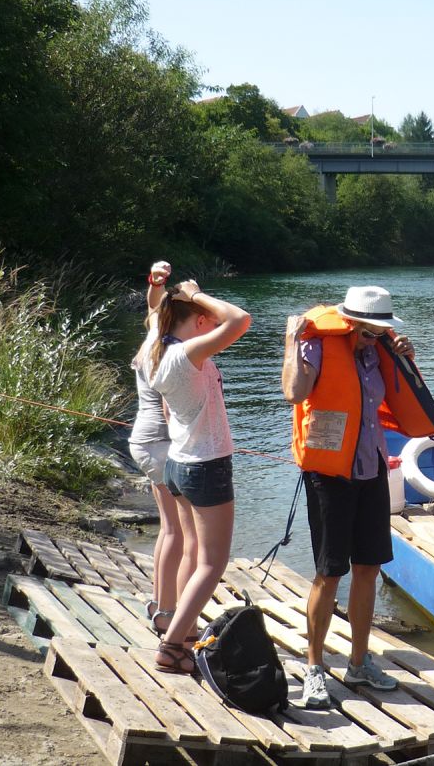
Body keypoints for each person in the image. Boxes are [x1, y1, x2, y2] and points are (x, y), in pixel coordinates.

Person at [282, 286, 434, 709]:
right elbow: (294, 393)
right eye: (369, 332)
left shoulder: (380, 352)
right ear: (350, 323)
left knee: (369, 568)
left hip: (371, 468)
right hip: (329, 475)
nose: (375, 339)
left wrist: (407, 361)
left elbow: (404, 402)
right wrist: (292, 341)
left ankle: (358, 662)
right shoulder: (317, 346)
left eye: (381, 332)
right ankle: (314, 668)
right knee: (329, 572)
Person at [148, 280, 251, 675]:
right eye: (208, 319)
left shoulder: (161, 351)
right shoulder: (185, 354)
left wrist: (182, 299)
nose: (215, 325)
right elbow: (240, 320)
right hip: (205, 465)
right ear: (200, 319)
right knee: (212, 563)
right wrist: (196, 295)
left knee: (193, 553)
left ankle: (186, 632)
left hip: (179, 462)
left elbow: (169, 412)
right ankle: (172, 646)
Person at [128, 260, 180, 636]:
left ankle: (159, 602)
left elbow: (152, 305)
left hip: (146, 441)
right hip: (161, 444)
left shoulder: (154, 335)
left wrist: (156, 282)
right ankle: (166, 613)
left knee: (168, 528)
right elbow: (169, 409)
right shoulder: (167, 348)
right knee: (179, 532)